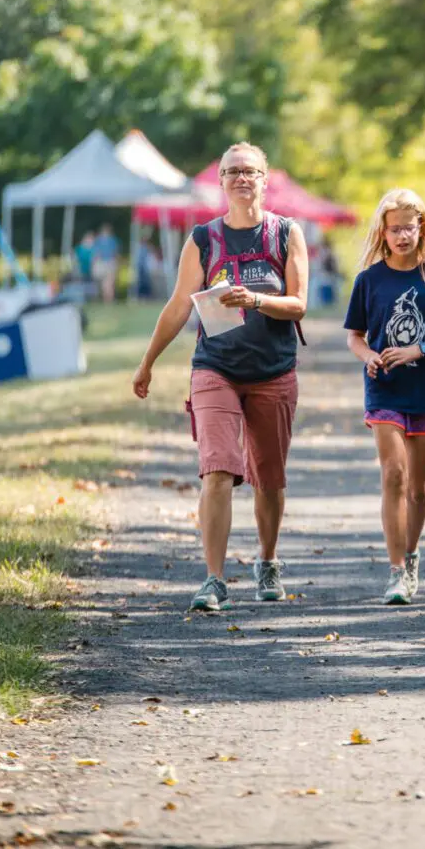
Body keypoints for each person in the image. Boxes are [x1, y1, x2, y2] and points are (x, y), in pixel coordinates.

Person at [131, 143, 309, 612]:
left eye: (250, 171)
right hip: (215, 367)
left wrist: (254, 300)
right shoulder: (204, 240)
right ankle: (213, 580)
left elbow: (298, 304)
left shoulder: (286, 234)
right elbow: (178, 305)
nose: (241, 178)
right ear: (221, 181)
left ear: (264, 178)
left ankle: (267, 562)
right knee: (217, 470)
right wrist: (148, 361)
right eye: (232, 172)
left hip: (273, 371)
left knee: (269, 479)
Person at [344, 189, 425, 605]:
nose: (402, 236)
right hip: (384, 390)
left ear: (422, 228)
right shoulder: (369, 280)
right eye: (394, 228)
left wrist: (418, 350)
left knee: (418, 487)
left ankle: (412, 554)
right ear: (383, 231)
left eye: (408, 228)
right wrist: (368, 358)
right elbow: (355, 337)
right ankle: (397, 571)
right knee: (393, 475)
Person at [92, 223, 120, 303]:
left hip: (104, 263)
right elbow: (116, 254)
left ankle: (107, 300)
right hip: (108, 263)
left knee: (107, 284)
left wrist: (93, 264)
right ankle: (108, 300)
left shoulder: (99, 240)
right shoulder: (113, 240)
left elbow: (96, 254)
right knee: (108, 284)